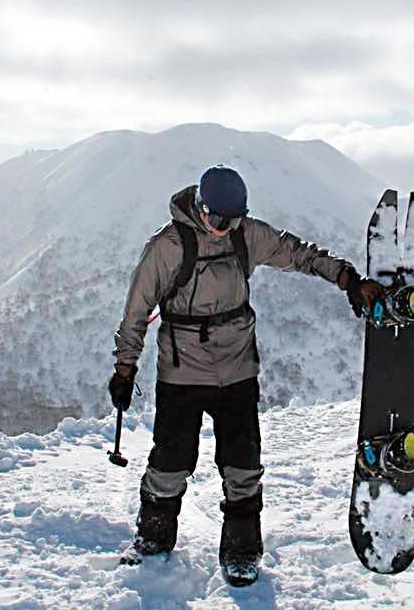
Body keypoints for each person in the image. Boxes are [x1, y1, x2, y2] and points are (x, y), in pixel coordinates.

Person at [109, 164, 382, 585]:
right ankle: (153, 540)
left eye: (233, 220)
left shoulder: (245, 235)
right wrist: (125, 368)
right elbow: (136, 312)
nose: (225, 228)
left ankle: (242, 553)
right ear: (200, 208)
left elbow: (298, 254)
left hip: (237, 370)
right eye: (218, 219)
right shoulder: (167, 247)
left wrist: (347, 279)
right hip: (182, 373)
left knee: (242, 464)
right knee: (170, 462)